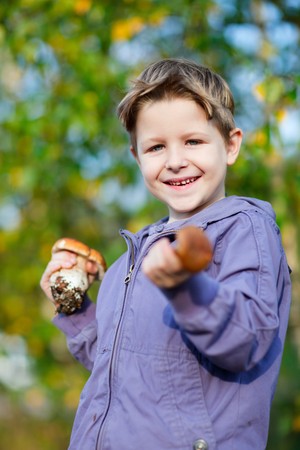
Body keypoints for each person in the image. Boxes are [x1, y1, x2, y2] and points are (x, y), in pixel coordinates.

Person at [40, 58, 292, 450]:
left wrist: (186, 288)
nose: (175, 160)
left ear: (230, 145)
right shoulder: (133, 258)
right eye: (156, 147)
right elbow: (119, 368)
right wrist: (72, 307)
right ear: (138, 158)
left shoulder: (244, 227)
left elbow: (247, 338)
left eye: (193, 141)